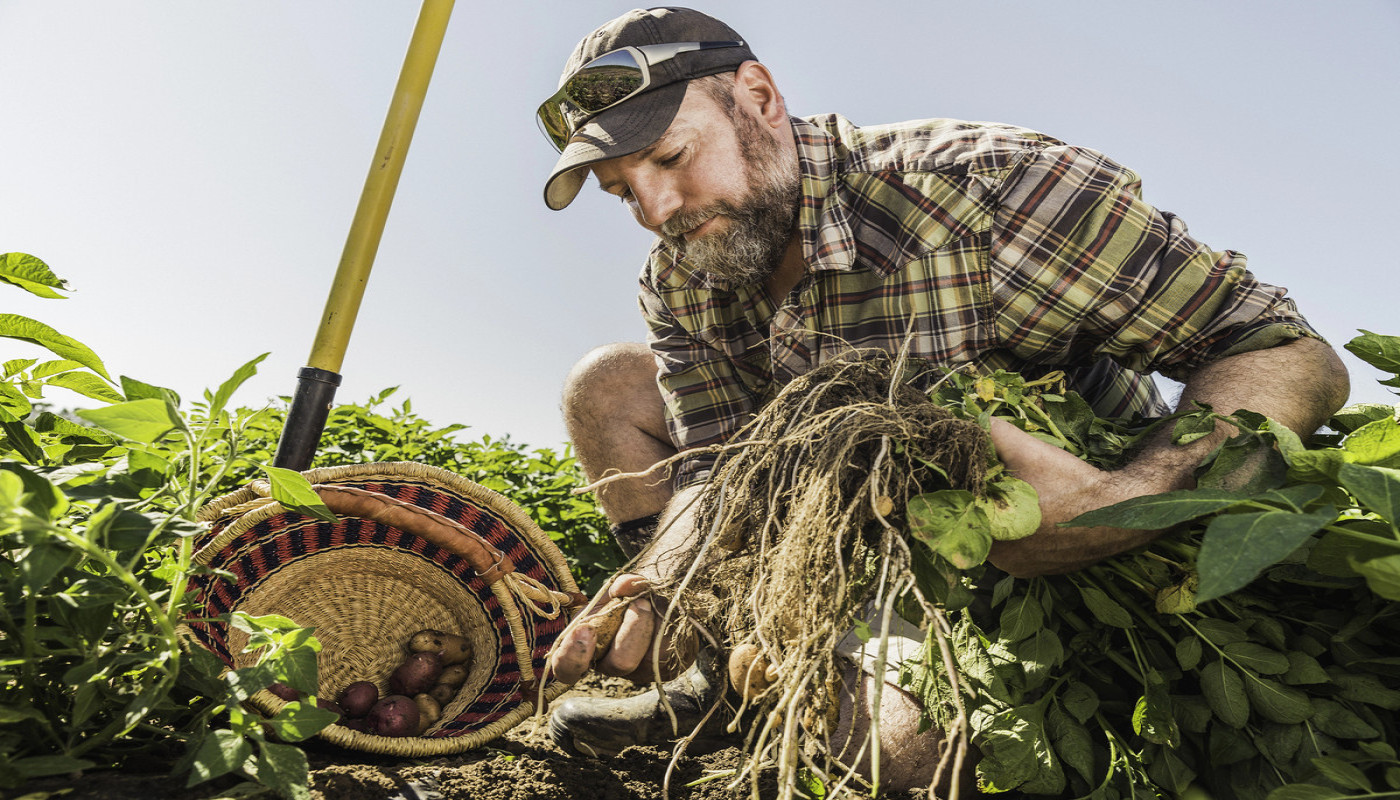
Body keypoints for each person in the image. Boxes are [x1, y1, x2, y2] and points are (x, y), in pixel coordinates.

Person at [536, 6, 1350, 789]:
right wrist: (665, 574)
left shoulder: (990, 191)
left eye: (673, 158)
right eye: (622, 192)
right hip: (883, 541)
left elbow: (1281, 347)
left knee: (917, 753)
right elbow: (716, 466)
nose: (657, 211)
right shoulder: (681, 275)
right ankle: (721, 679)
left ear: (759, 97)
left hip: (1066, 527)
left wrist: (1129, 499)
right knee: (609, 385)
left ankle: (816, 685)